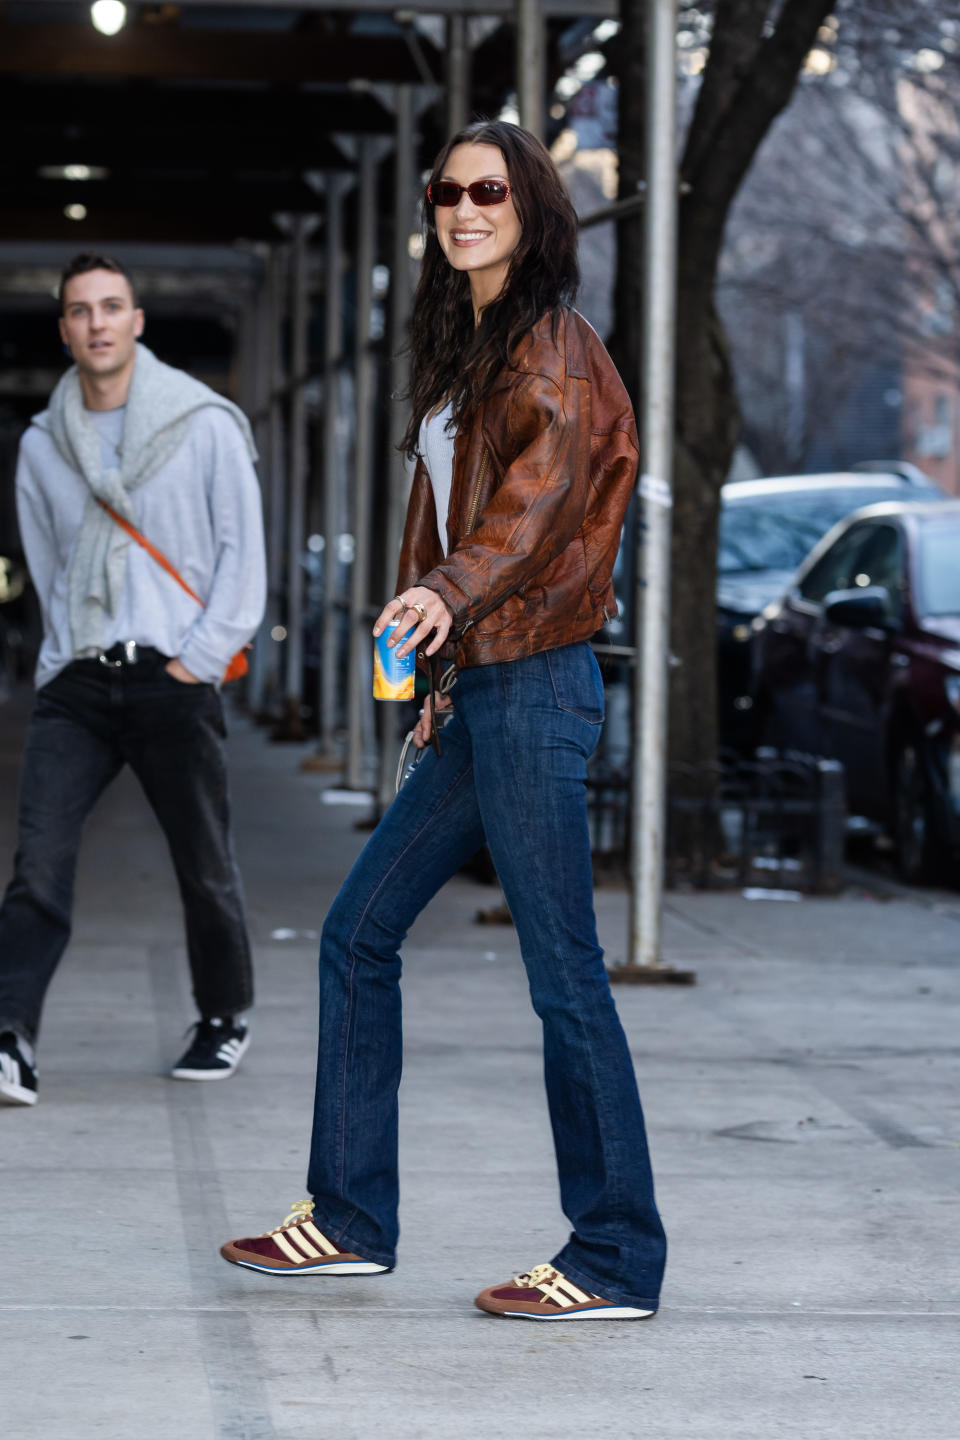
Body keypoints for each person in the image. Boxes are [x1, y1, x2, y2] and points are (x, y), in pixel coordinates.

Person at [221, 122, 667, 1321]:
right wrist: (438, 678)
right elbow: (462, 507)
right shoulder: (474, 346)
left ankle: (616, 1255)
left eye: (490, 190)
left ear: (530, 209)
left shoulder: (556, 350)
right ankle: (352, 1220)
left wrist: (443, 594)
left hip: (540, 688)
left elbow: (531, 511)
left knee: (564, 974)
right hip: (488, 691)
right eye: (446, 192)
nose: (464, 209)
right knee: (357, 932)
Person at [0, 253, 266, 1106]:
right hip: (78, 681)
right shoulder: (45, 446)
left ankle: (224, 1014)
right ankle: (10, 1037)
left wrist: (198, 656)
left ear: (138, 321)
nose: (98, 323)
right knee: (37, 863)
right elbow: (47, 566)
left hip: (172, 675)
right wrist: (56, 662)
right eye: (80, 311)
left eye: (112, 306)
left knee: (203, 862)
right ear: (66, 330)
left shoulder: (203, 424)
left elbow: (242, 555)